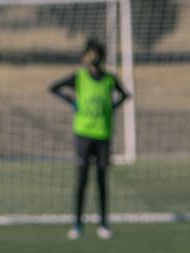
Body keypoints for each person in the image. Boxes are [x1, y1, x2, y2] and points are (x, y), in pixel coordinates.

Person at [50, 38, 131, 240]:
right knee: (82, 179)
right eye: (89, 54)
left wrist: (111, 108)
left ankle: (103, 223)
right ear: (85, 57)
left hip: (103, 135)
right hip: (83, 135)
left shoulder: (110, 79)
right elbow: (55, 87)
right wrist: (71, 101)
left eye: (95, 54)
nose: (92, 58)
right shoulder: (79, 77)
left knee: (102, 180)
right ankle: (77, 223)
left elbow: (124, 95)